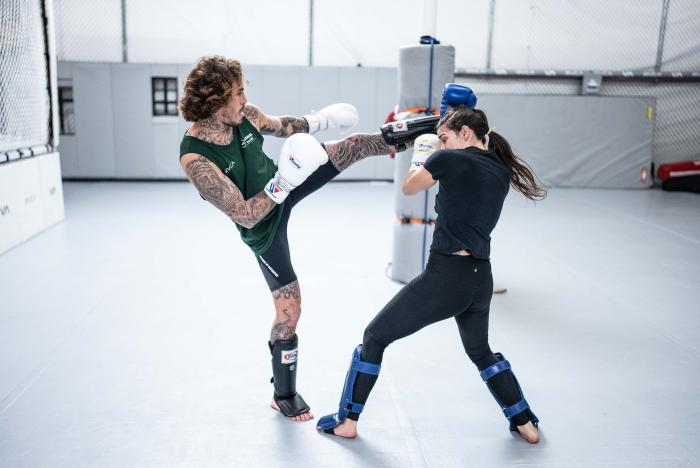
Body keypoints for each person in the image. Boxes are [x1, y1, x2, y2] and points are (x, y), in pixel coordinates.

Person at [178, 55, 426, 422]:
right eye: (237, 93)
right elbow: (245, 214)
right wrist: (285, 182)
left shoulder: (245, 115)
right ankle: (284, 394)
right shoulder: (196, 158)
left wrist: (320, 121)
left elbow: (282, 126)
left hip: (284, 180)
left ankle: (416, 135)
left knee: (353, 145)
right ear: (214, 102)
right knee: (290, 310)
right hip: (262, 225)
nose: (244, 99)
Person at [317, 105, 547, 443]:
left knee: (374, 337)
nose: (440, 144)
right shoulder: (499, 169)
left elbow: (411, 187)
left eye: (444, 138)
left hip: (446, 277)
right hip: (480, 278)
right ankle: (525, 422)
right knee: (481, 352)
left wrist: (423, 153)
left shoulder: (449, 159)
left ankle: (347, 420)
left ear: (465, 133)